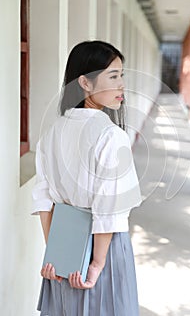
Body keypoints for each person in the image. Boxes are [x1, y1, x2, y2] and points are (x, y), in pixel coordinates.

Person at [32, 40, 142, 316]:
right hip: (104, 248)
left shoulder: (51, 134)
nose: (121, 86)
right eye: (113, 76)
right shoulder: (111, 135)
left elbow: (44, 200)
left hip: (64, 246)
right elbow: (109, 208)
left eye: (122, 76)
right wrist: (97, 263)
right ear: (85, 83)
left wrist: (56, 254)